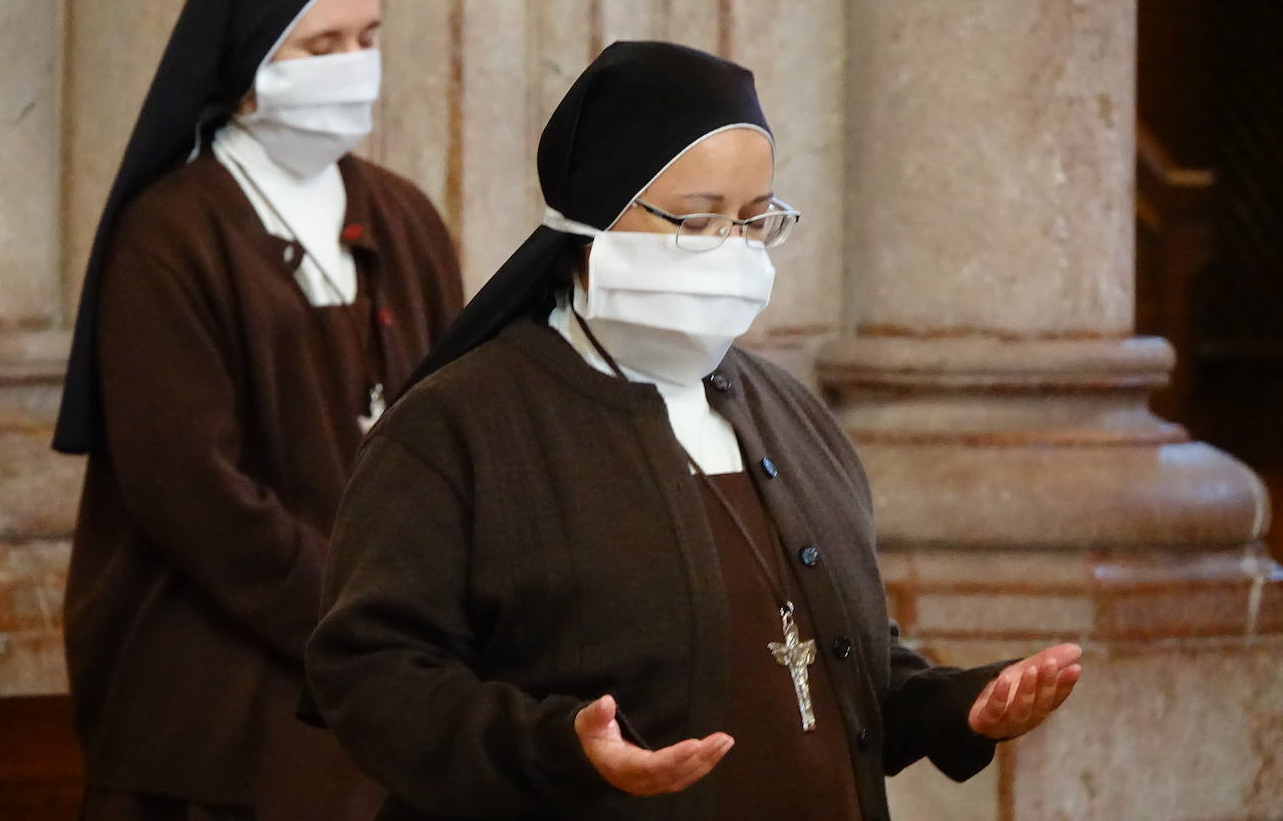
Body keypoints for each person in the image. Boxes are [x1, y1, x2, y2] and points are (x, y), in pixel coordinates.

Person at [304, 41, 1082, 821]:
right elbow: (372, 672)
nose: (734, 252)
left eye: (754, 220)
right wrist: (560, 749)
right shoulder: (460, 426)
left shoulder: (788, 411)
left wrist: (956, 704)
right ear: (596, 217)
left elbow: (826, 655)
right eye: (699, 219)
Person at [54, 0, 462, 819]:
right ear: (248, 64)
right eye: (323, 44)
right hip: (218, 687)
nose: (354, 64)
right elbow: (190, 490)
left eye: (368, 39)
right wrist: (367, 616)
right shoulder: (171, 234)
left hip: (388, 669)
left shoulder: (405, 218)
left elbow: (458, 432)